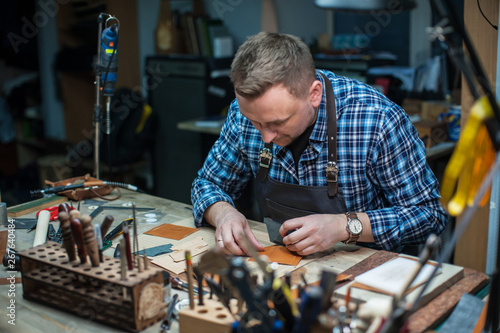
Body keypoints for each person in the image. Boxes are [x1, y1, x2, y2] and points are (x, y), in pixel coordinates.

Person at [191, 32, 447, 256]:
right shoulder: (243, 113)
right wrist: (223, 213)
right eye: (256, 123)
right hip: (280, 266)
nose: (265, 137)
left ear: (314, 94)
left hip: (365, 276)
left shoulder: (377, 120)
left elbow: (429, 216)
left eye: (277, 123)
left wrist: (344, 227)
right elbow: (208, 184)